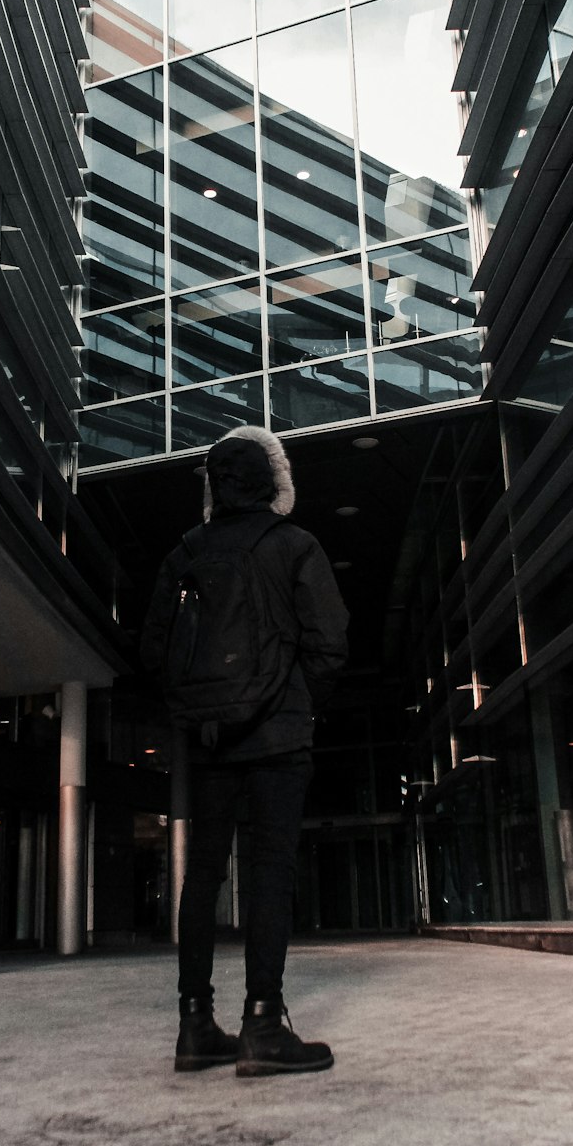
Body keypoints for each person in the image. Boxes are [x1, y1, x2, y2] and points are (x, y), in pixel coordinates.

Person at [140, 425, 349, 1077]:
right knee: (270, 869)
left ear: (214, 487)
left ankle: (195, 1026)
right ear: (274, 482)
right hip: (280, 735)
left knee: (203, 871)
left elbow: (153, 650)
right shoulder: (295, 545)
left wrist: (202, 710)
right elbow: (330, 642)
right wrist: (293, 696)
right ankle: (263, 1023)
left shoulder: (186, 552)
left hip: (209, 740)